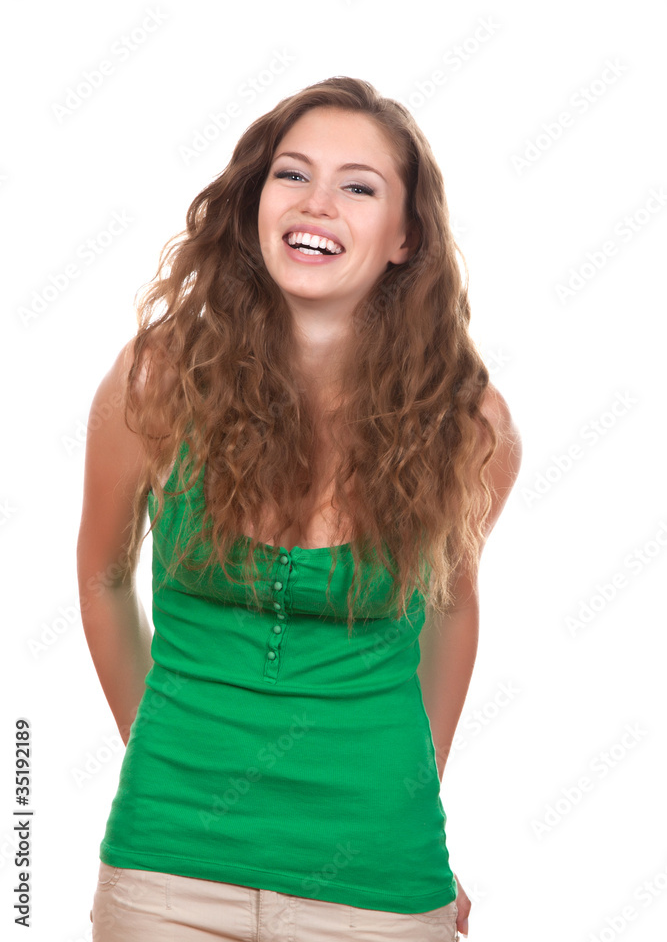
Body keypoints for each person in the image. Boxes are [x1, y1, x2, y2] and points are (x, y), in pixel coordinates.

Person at [78, 75, 522, 941]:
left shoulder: (468, 428)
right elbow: (101, 577)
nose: (316, 202)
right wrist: (159, 755)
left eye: (359, 187)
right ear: (255, 203)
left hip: (376, 884)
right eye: (292, 173)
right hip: (164, 871)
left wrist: (412, 801)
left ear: (405, 237)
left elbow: (451, 608)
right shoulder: (156, 381)